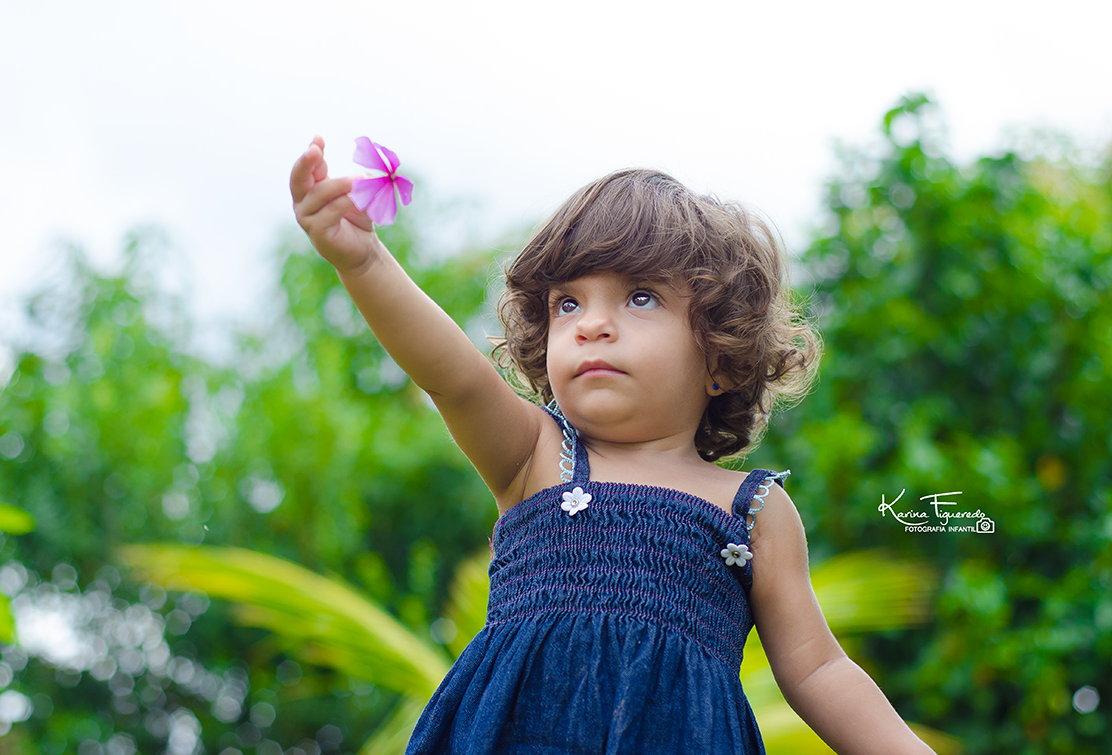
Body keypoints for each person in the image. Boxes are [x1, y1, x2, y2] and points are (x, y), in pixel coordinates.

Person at [290, 136, 936, 754]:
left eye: (640, 296)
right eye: (568, 304)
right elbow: (452, 377)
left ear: (721, 352)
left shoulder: (754, 509)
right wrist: (364, 260)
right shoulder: (535, 456)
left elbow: (819, 668)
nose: (594, 324)